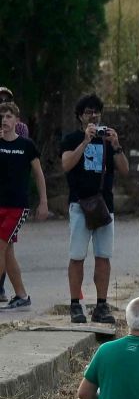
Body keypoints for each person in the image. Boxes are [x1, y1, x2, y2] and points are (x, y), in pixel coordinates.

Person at [61, 94, 130, 324]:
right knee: (77, 255)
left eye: (97, 112)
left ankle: (101, 304)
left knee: (103, 256)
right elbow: (66, 164)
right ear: (80, 116)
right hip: (80, 204)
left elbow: (125, 170)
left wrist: (116, 145)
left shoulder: (107, 140)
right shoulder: (72, 139)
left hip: (103, 205)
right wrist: (85, 142)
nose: (94, 116)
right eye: (89, 112)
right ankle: (75, 304)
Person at [0, 100, 49, 308]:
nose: (4, 120)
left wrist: (43, 202)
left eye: (8, 116)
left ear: (16, 120)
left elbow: (38, 174)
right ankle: (21, 295)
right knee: (7, 251)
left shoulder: (26, 145)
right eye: (1, 117)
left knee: (0, 246)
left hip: (17, 207)